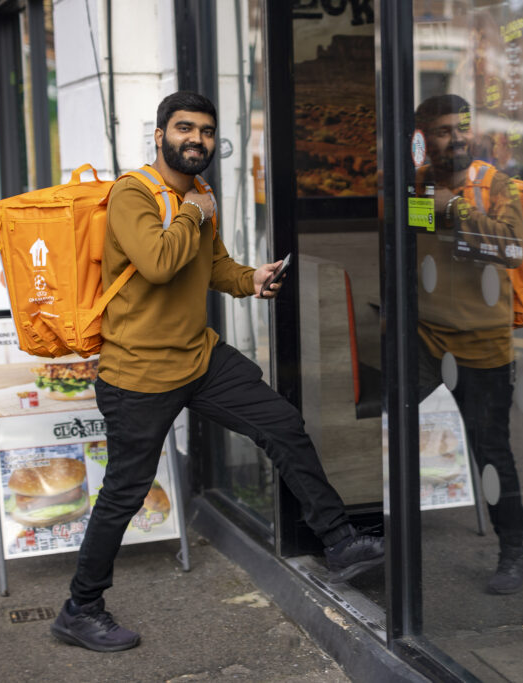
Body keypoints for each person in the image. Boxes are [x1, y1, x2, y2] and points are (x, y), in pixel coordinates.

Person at [51, 91, 383, 653]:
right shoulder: (133, 193)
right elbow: (157, 263)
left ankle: (339, 540)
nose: (196, 140)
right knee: (124, 495)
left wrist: (251, 278)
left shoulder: (200, 195)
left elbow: (211, 266)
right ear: (159, 136)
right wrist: (190, 214)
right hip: (139, 375)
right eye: (184, 129)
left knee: (281, 423)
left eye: (205, 132)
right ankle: (80, 607)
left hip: (199, 359)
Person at [414, 94, 523, 594]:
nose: (455, 137)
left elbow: (512, 247)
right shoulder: (415, 181)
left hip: (483, 346)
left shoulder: (491, 182)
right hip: (424, 338)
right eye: (443, 130)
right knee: (398, 438)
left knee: (490, 452)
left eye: (461, 128)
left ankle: (514, 552)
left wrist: (457, 207)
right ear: (424, 137)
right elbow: (410, 242)